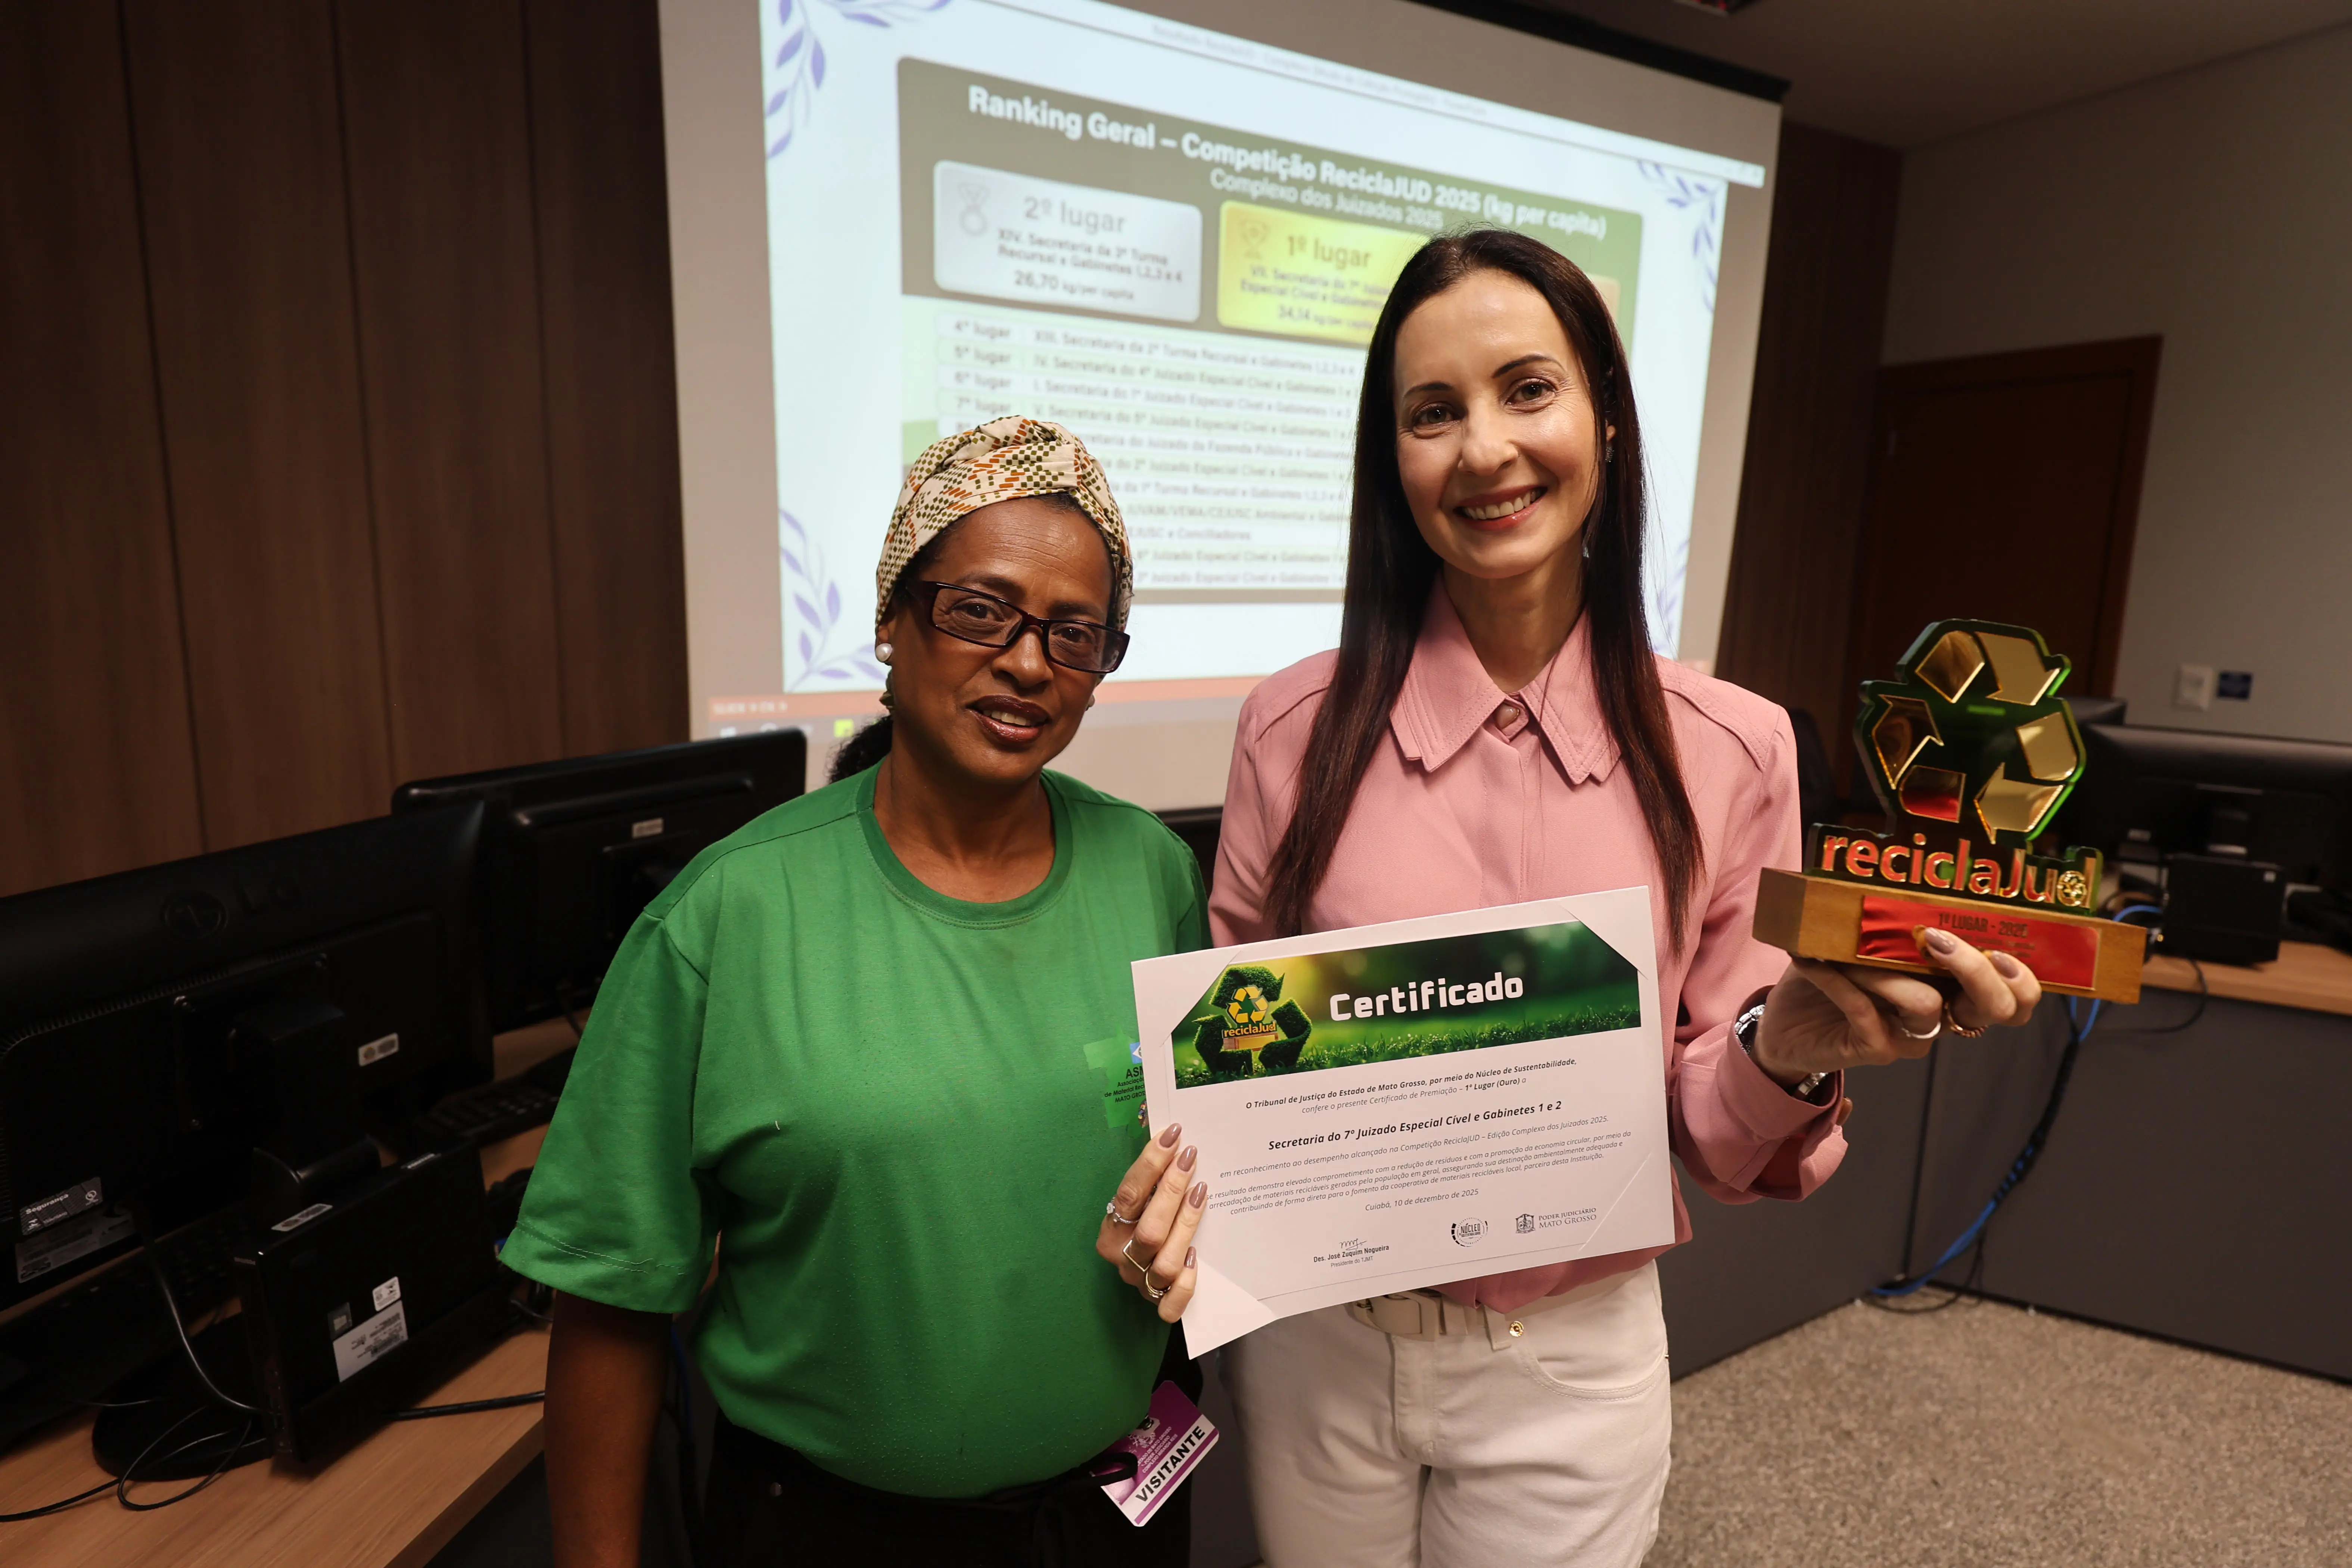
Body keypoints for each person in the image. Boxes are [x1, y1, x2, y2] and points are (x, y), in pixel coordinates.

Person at [1180, 229, 2046, 1567]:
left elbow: (1710, 1120)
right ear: (1389, 461)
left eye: (1527, 390)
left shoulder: (1736, 747)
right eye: (1431, 412)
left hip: (1566, 1357)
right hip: (1318, 1346)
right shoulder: (1287, 729)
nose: (1482, 451)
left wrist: (1790, 1044)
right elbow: (1235, 1069)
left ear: (1606, 417)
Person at [506, 417, 1212, 1568]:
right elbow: (612, 1302)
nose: (1030, 663)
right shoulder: (724, 919)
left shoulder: (1151, 876)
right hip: (827, 1534)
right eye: (979, 609)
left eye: (1076, 634)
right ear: (891, 622)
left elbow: (1191, 1173)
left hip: (1111, 1518)